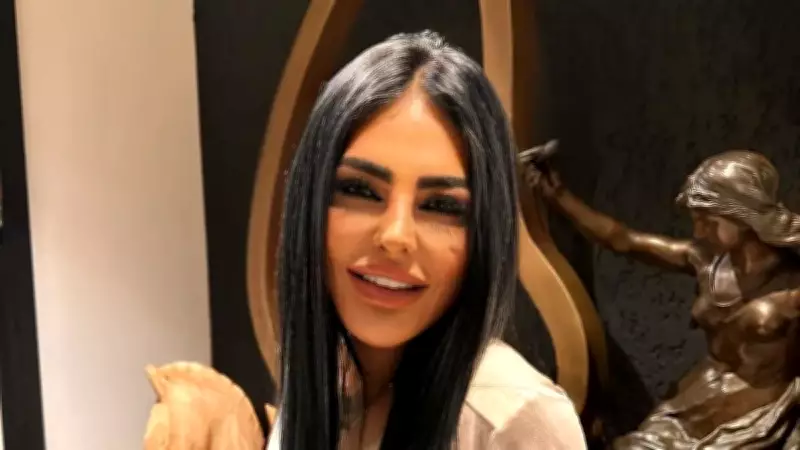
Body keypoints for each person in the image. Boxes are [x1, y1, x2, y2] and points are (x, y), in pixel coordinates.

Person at [142, 31, 587, 450]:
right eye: (359, 190)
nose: (395, 236)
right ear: (310, 202)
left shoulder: (514, 420)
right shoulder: (322, 381)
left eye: (441, 206)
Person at [522, 144, 800, 449]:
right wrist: (559, 197)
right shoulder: (704, 259)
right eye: (696, 219)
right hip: (697, 400)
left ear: (742, 215)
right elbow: (623, 240)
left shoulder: (792, 283)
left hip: (760, 415)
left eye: (709, 221)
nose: (699, 232)